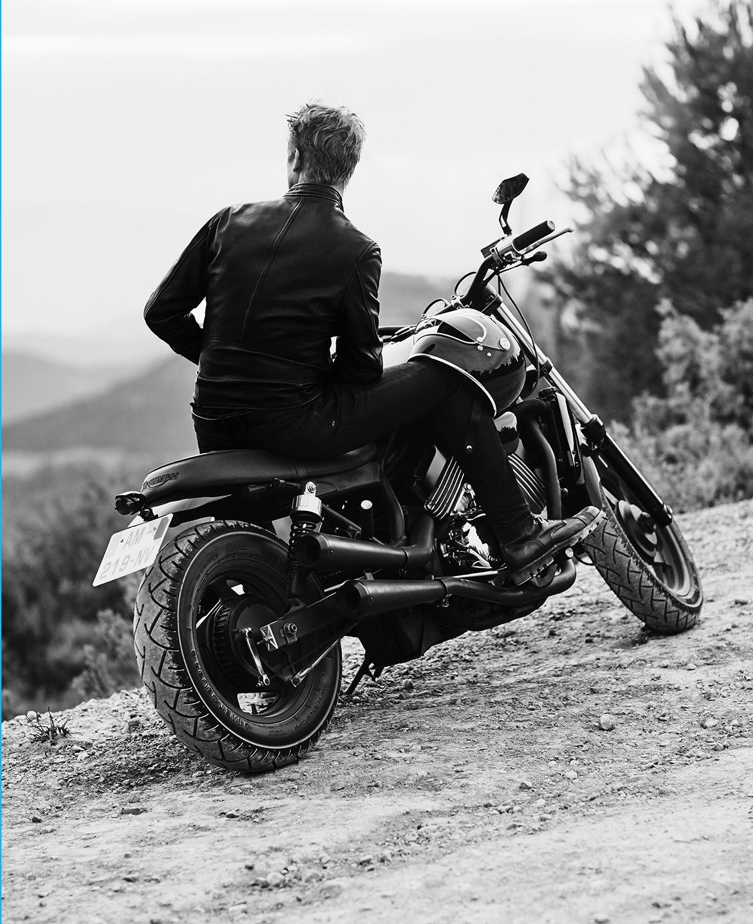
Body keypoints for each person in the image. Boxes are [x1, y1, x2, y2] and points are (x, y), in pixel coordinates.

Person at [144, 102, 599, 583]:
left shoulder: (228, 221)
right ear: (350, 170)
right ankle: (517, 533)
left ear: (295, 158)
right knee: (447, 379)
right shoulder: (356, 248)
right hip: (295, 424)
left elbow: (162, 311)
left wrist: (218, 361)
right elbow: (362, 369)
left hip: (214, 422)